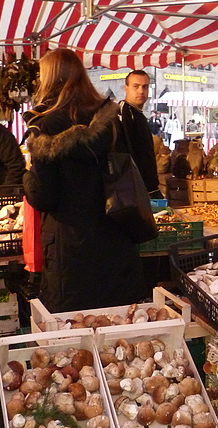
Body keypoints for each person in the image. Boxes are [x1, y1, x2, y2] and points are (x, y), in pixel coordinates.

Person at [22, 48, 146, 313]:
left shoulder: (44, 127)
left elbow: (44, 197)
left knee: (75, 335)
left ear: (49, 79)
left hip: (71, 251)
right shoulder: (110, 119)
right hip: (115, 241)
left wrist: (25, 177)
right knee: (119, 334)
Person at [118, 69, 161, 197]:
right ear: (126, 88)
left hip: (148, 187)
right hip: (135, 190)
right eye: (135, 86)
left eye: (145, 87)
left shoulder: (138, 114)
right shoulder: (125, 112)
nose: (141, 91)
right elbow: (124, 153)